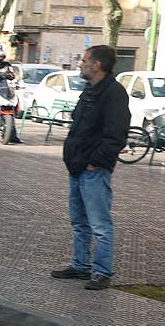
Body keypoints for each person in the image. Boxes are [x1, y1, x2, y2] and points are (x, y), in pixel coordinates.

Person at [50, 45, 129, 291]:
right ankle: (80, 266)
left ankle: (102, 273)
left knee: (100, 224)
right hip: (77, 166)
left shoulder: (114, 93)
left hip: (93, 169)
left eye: (84, 60)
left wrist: (96, 161)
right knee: (79, 221)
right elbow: (78, 123)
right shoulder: (89, 90)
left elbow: (116, 134)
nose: (80, 64)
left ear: (97, 65)